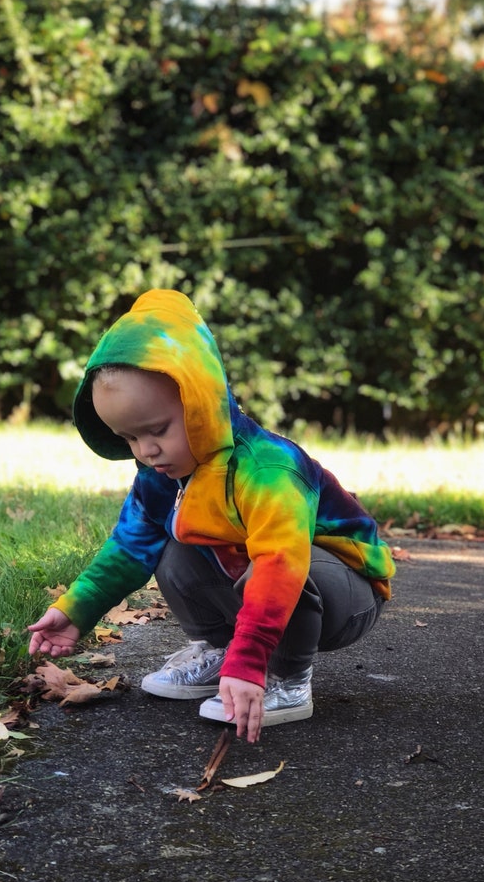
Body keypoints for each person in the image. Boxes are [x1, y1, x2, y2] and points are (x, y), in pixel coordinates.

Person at [28, 289, 395, 743]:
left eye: (157, 429)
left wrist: (252, 659)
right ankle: (222, 652)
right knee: (166, 543)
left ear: (200, 402)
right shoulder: (161, 472)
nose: (146, 450)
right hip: (266, 580)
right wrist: (77, 610)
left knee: (273, 566)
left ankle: (287, 677)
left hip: (344, 593)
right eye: (128, 438)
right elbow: (129, 546)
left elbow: (281, 563)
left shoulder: (266, 468)